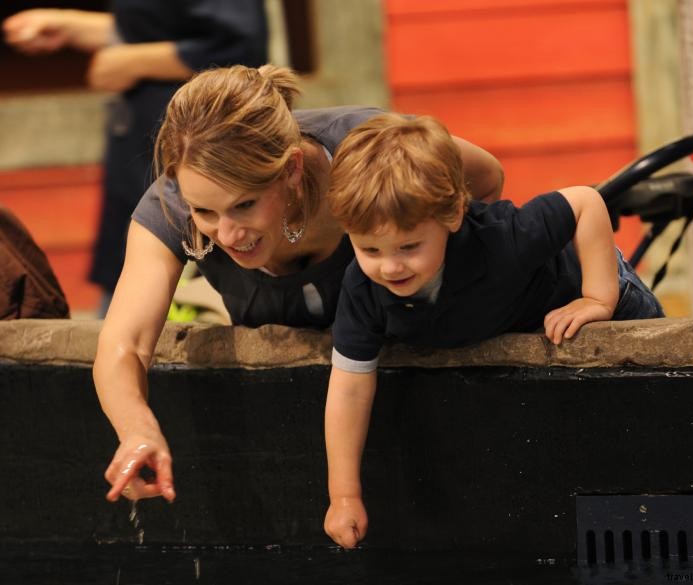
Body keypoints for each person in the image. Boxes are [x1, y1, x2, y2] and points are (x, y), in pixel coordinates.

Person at [92, 65, 505, 503]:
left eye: (245, 204)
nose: (228, 234)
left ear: (291, 169)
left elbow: (486, 178)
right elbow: (124, 344)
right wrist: (137, 428)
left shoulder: (371, 149)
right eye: (206, 212)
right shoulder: (171, 205)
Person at [322, 113, 664, 548]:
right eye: (369, 248)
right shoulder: (362, 287)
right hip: (510, 320)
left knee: (654, 384)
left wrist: (598, 298)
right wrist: (343, 494)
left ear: (452, 214)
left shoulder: (503, 240)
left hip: (593, 291)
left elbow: (585, 203)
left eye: (409, 247)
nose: (389, 266)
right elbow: (349, 386)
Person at [2, 4, 268, 314]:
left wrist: (131, 63)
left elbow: (238, 44)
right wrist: (76, 27)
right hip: (137, 165)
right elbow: (160, 24)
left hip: (191, 163)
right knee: (121, 310)